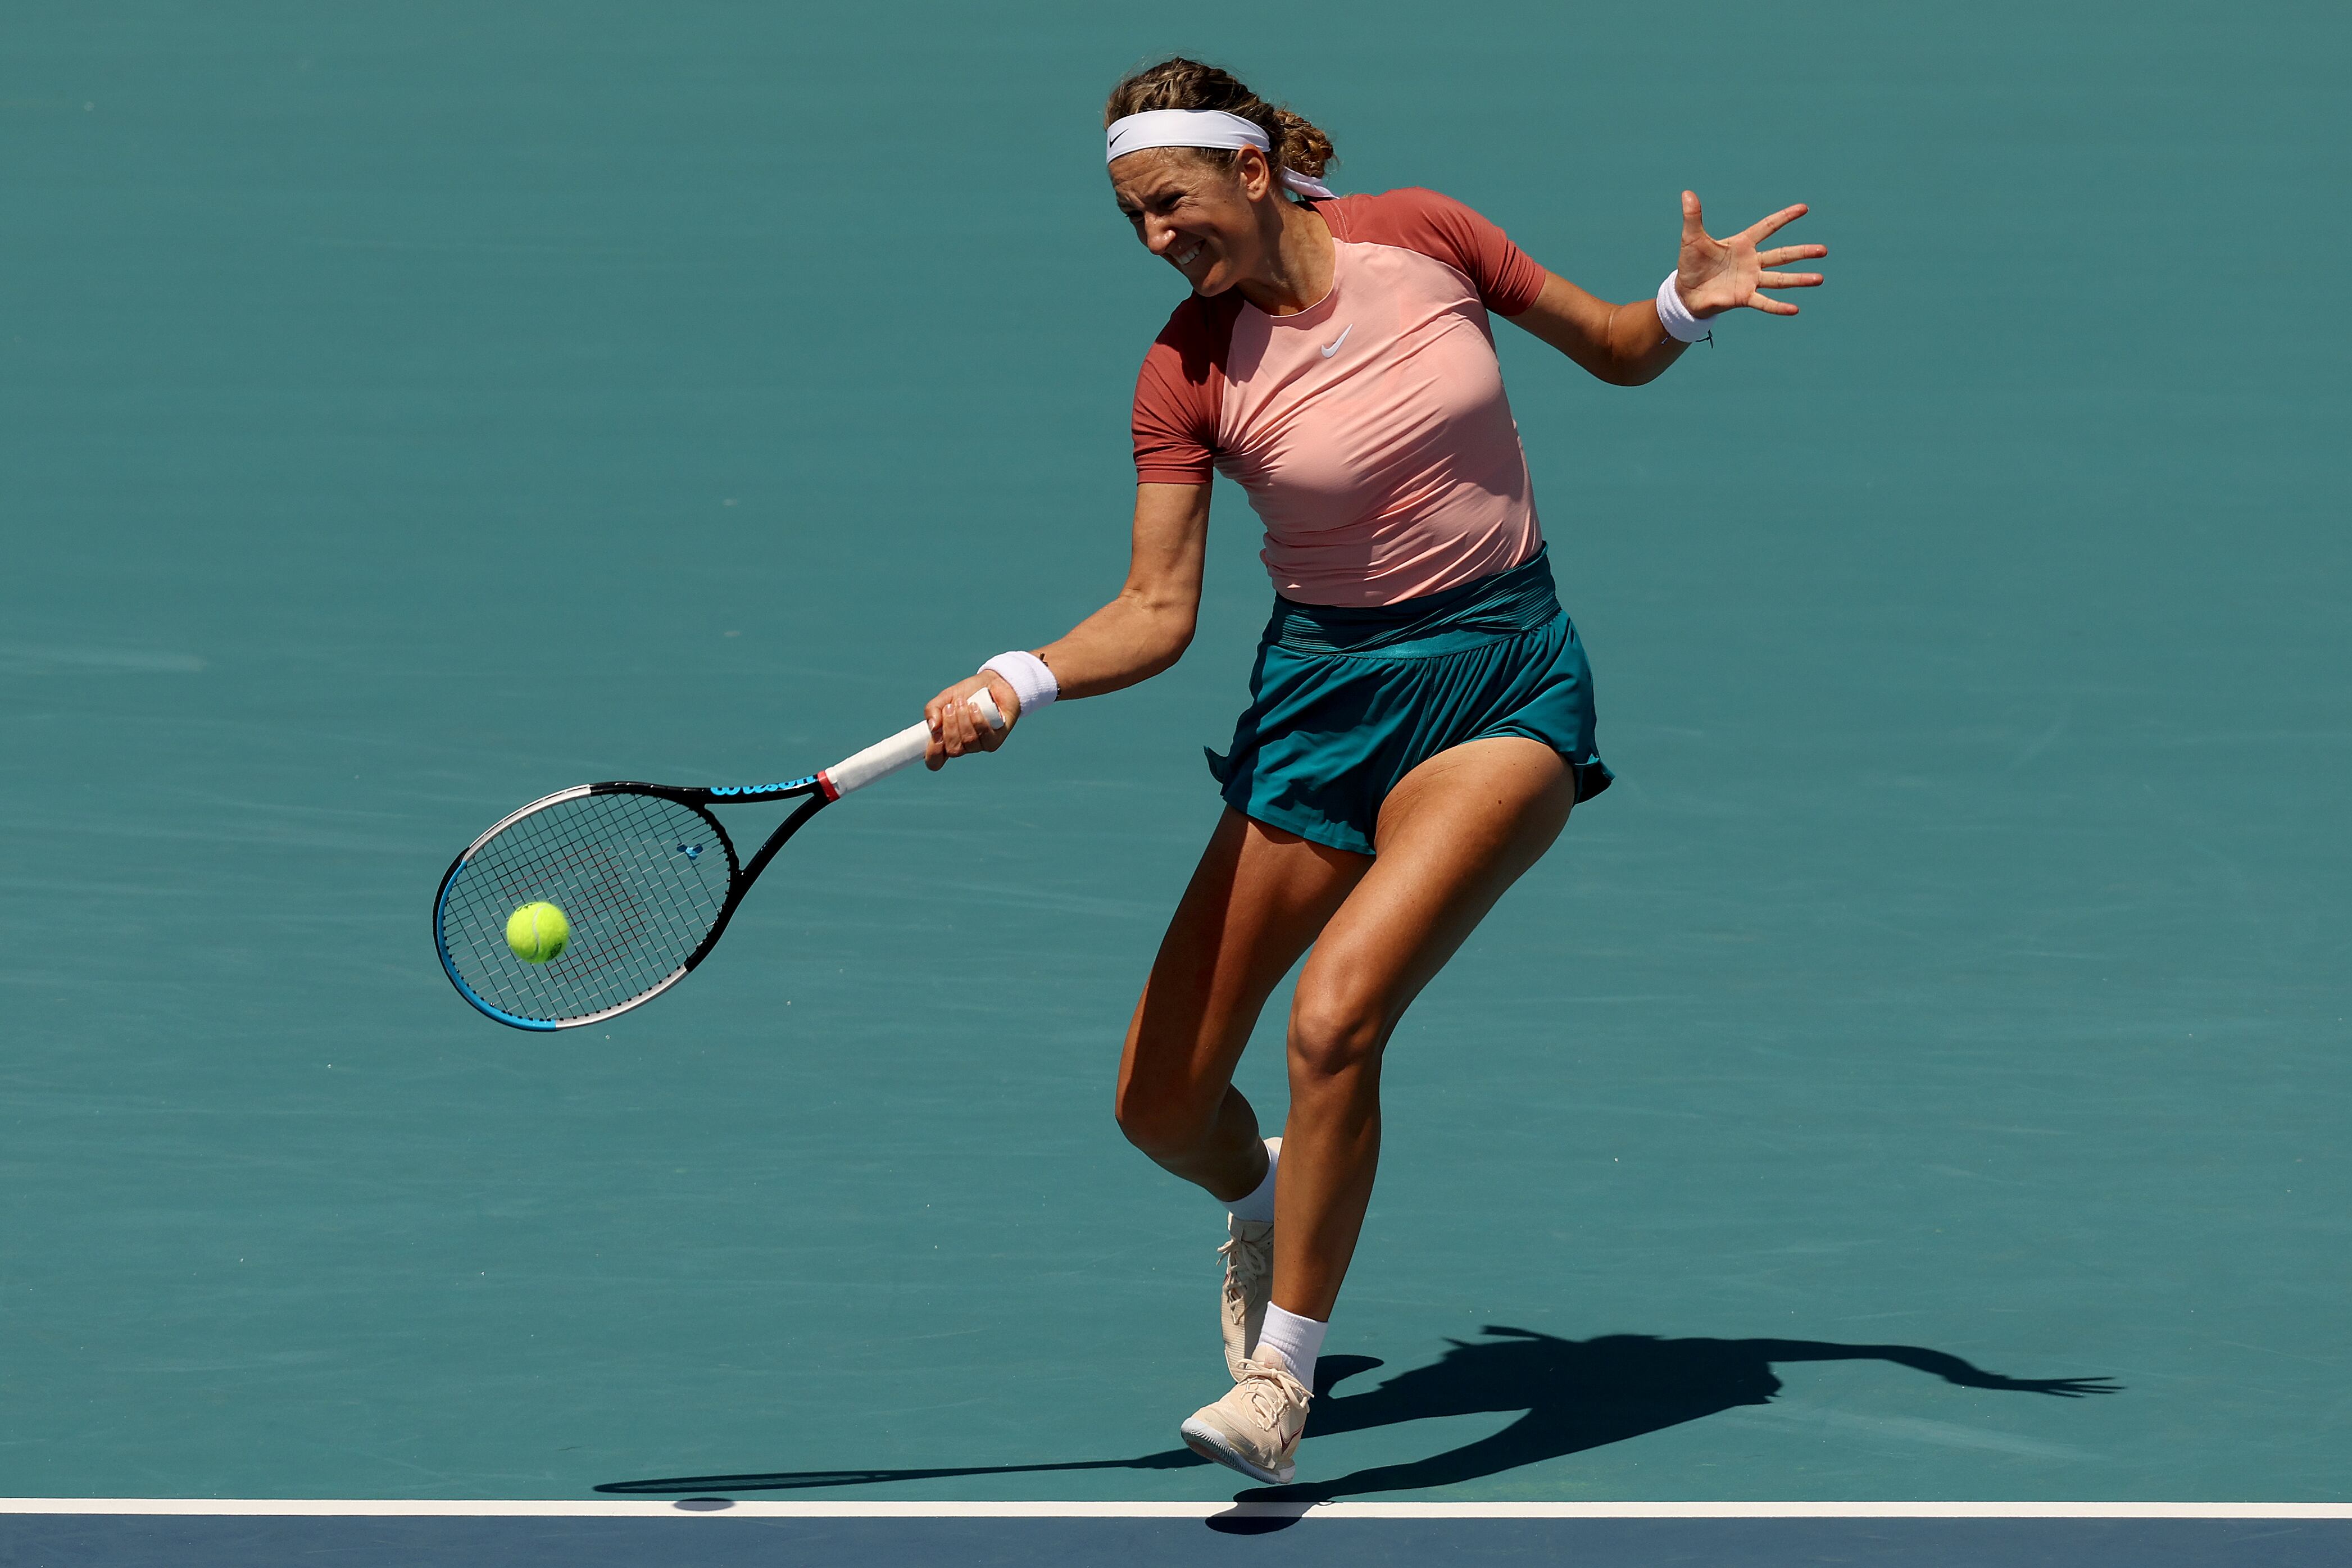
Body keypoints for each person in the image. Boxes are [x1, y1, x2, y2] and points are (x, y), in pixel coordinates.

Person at [920, 56, 1826, 1486]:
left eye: (1168, 203)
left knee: (1337, 1014)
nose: (1157, 238)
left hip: (1501, 679)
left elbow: (1607, 343)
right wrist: (1015, 678)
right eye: (1131, 221)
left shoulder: (1423, 234)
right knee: (1159, 1104)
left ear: (1251, 168)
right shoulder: (1185, 367)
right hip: (1320, 703)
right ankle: (1270, 1196)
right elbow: (1157, 613)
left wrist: (1675, 306)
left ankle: (1282, 1376)